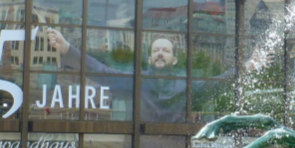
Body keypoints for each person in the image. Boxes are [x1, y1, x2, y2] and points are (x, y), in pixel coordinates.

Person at [47, 30, 272, 122]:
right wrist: (67, 49)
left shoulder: (186, 85)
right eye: (156, 51)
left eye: (165, 50)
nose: (160, 53)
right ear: (150, 59)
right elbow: (103, 72)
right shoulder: (138, 81)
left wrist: (247, 67)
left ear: (174, 59)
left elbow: (217, 83)